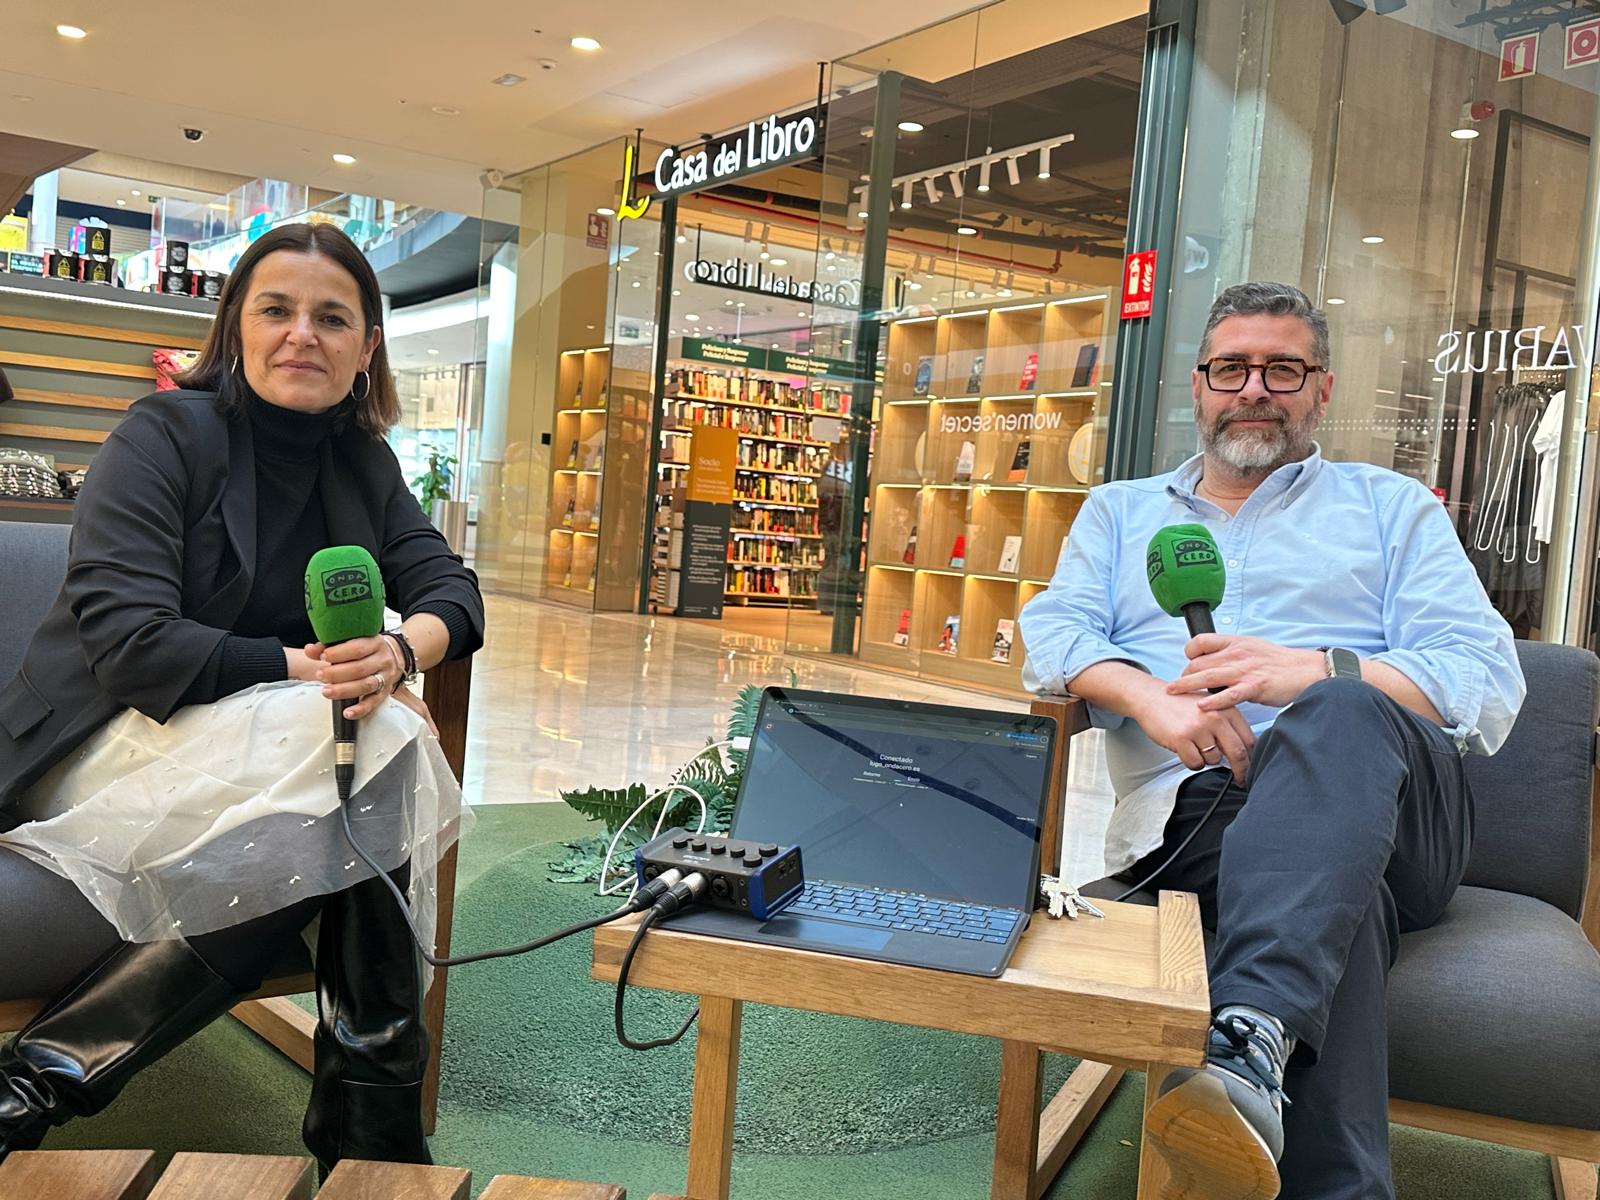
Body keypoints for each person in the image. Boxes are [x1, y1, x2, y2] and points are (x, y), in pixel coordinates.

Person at [1018, 281, 1524, 1200]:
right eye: (1232, 368)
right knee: (1343, 904)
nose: (1254, 388)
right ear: (1198, 385)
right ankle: (1257, 1045)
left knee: (1340, 709)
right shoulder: (1123, 513)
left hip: (1398, 814)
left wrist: (1316, 672)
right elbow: (1052, 633)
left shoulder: (1392, 508)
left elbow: (1486, 680)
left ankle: (1249, 1033)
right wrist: (1151, 700)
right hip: (1203, 819)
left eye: (1283, 369)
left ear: (1321, 389)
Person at [0, 222, 484, 1169]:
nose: (303, 334)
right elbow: (133, 648)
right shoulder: (159, 435)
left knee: (362, 747)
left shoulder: (363, 459)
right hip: (102, 739)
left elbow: (451, 592)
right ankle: (371, 1135)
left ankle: (32, 1090)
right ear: (237, 326)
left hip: (264, 751)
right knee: (366, 744)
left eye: (331, 318)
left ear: (366, 348)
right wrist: (321, 673)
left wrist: (395, 654)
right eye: (277, 310)